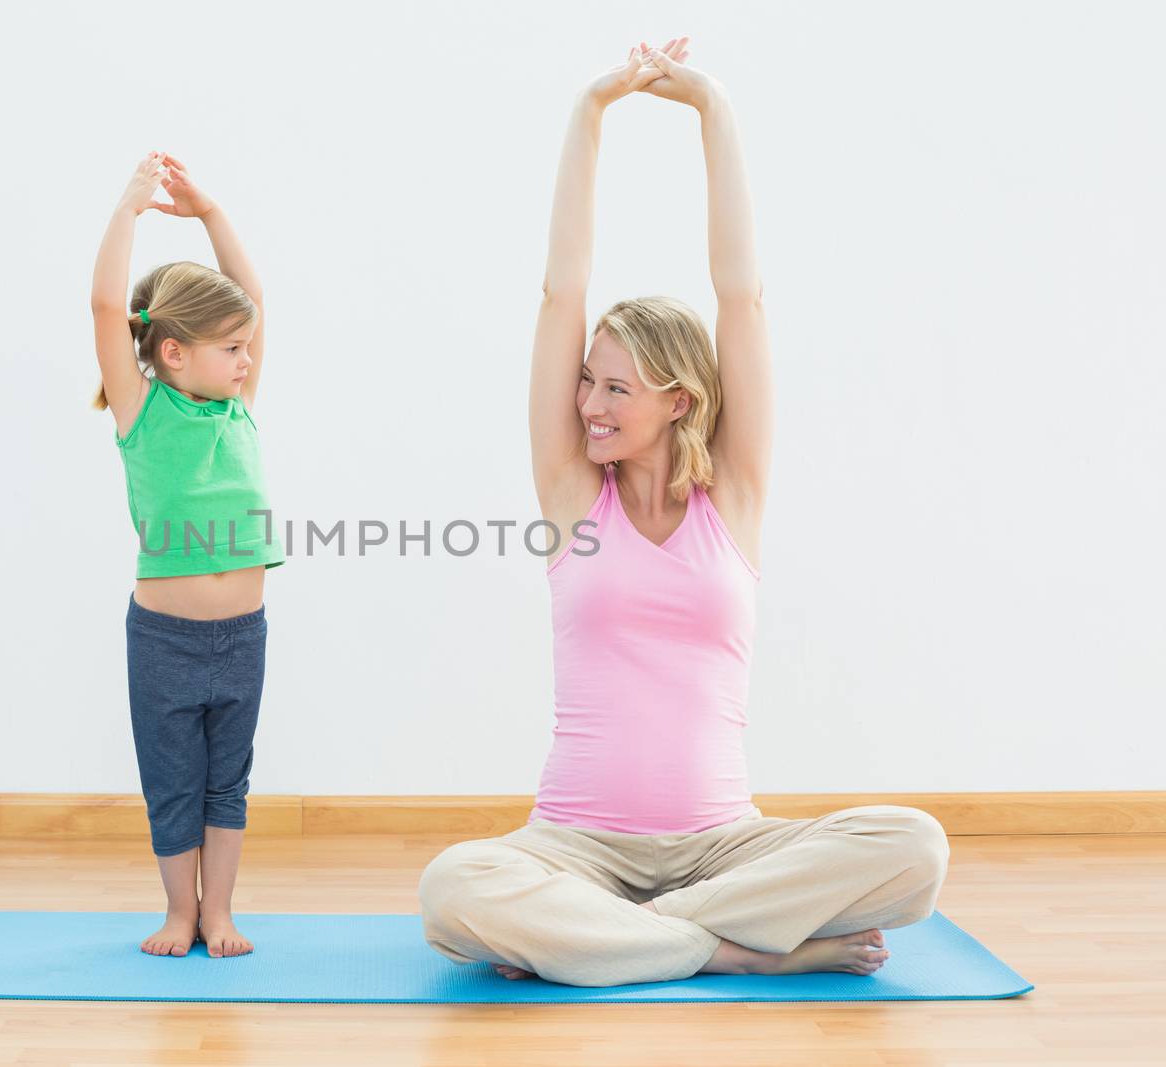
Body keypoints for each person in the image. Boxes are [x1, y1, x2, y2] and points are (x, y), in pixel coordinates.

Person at [416, 40, 950, 987]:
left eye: (617, 387)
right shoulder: (572, 493)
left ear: (679, 399)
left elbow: (740, 296)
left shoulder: (732, 497)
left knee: (914, 847)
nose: (589, 405)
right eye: (587, 382)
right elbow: (559, 292)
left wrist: (712, 110)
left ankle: (620, 939)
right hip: (574, 847)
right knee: (456, 889)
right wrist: (591, 111)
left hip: (722, 848)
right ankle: (732, 950)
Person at [90, 151, 283, 959]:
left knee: (225, 782)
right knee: (173, 781)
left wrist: (211, 215)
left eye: (247, 347)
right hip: (165, 640)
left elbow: (255, 300)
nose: (246, 358)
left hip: (242, 636)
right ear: (173, 352)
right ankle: (178, 911)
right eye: (229, 347)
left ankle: (219, 913)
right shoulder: (141, 411)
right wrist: (130, 210)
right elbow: (105, 304)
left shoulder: (236, 408)